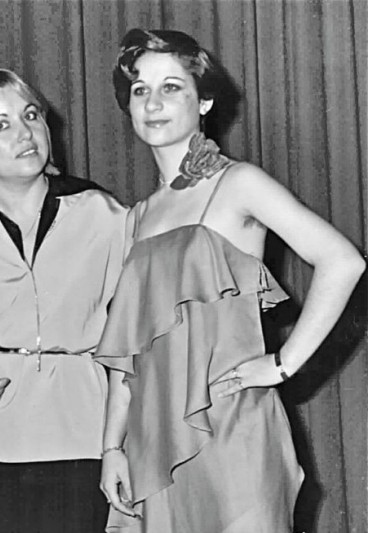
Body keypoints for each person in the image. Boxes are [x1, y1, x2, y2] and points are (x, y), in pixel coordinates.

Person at [97, 29, 365, 532]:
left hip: (234, 427)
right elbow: (127, 354)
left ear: (204, 101)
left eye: (171, 87)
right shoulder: (138, 217)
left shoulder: (238, 183)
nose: (153, 103)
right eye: (140, 90)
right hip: (154, 440)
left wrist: (283, 364)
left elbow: (342, 261)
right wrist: (112, 446)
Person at [0, 69, 128, 533]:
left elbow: (137, 320)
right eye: (1, 125)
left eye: (31, 115)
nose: (24, 133)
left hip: (80, 435)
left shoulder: (102, 212)